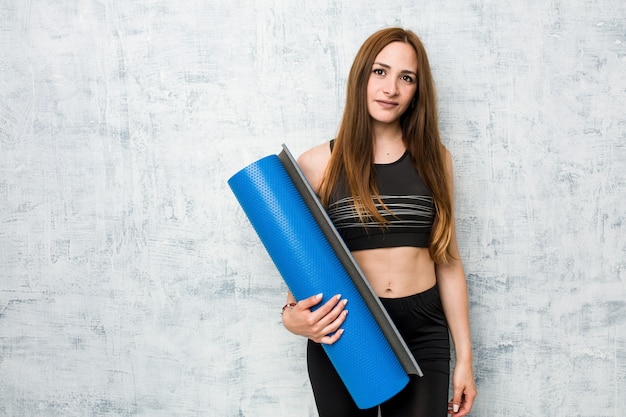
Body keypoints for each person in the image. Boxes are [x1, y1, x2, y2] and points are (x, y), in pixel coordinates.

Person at [281, 27, 477, 417]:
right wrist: (294, 321)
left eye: (406, 78)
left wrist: (466, 359)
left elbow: (448, 260)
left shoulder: (437, 160)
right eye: (380, 72)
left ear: (417, 91)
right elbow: (298, 279)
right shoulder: (317, 164)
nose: (391, 88)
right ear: (361, 77)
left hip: (424, 330)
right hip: (346, 328)